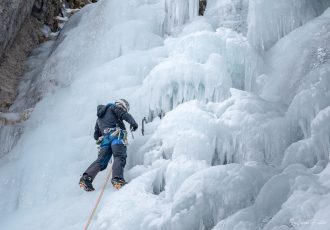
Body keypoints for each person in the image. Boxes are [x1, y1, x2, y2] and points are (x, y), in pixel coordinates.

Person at [79, 99, 138, 191]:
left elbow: (96, 135)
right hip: (117, 136)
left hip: (105, 140)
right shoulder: (113, 107)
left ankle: (86, 178)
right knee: (119, 156)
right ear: (121, 105)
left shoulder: (99, 118)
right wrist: (133, 123)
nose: (123, 110)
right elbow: (124, 115)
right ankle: (117, 179)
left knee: (101, 161)